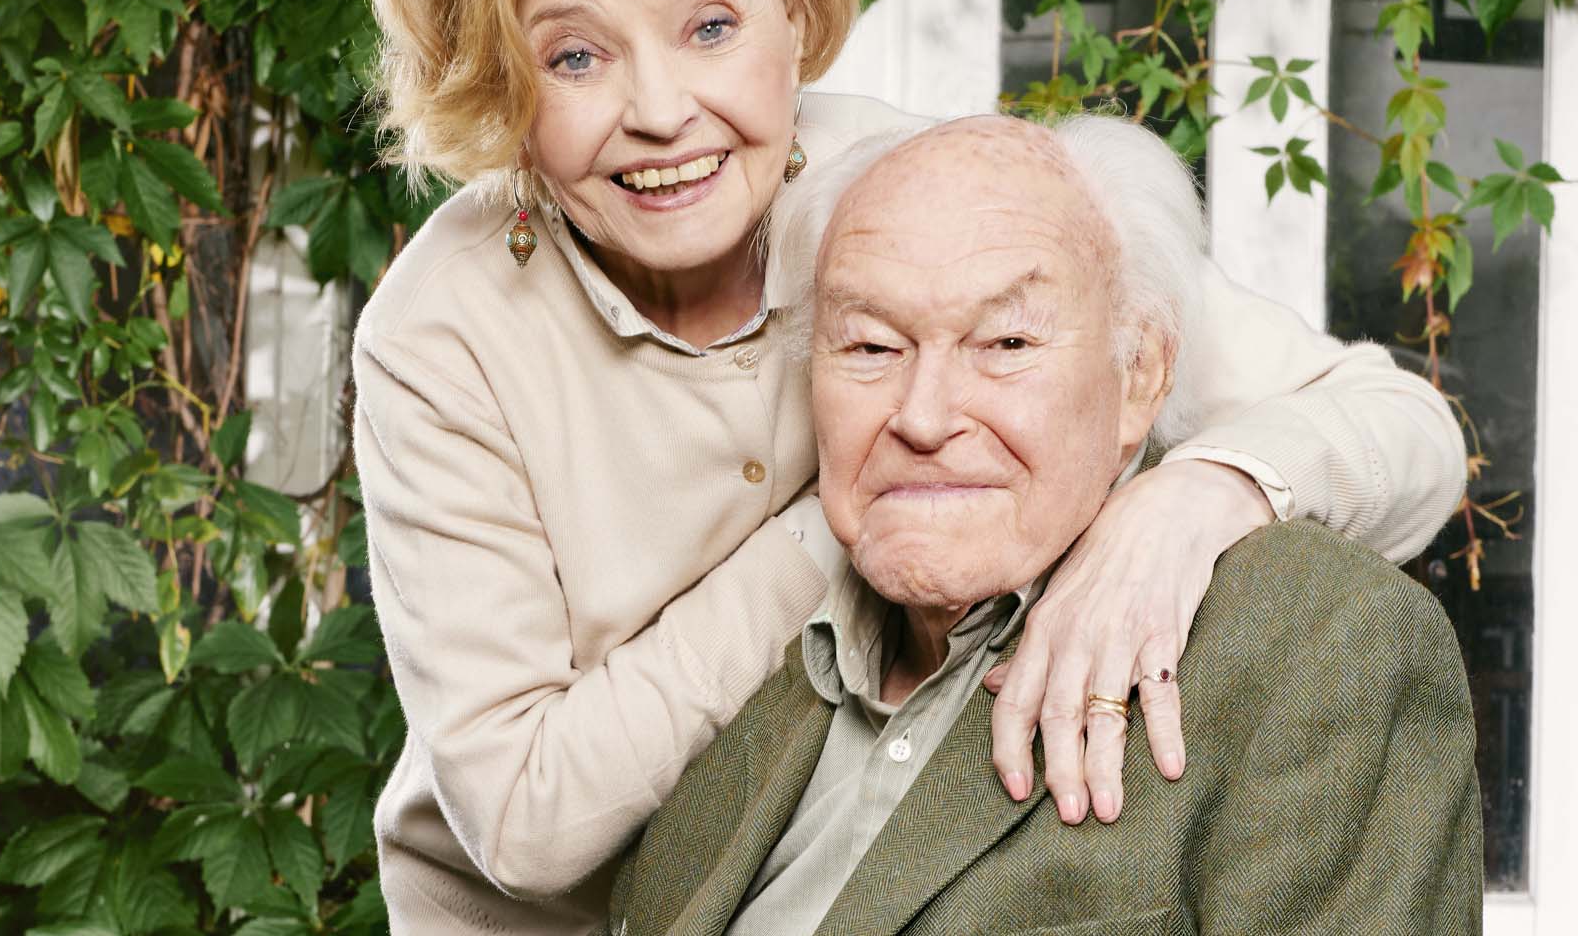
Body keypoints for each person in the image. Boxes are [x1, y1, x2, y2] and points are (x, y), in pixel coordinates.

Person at [354, 0, 1468, 930]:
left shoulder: (913, 206)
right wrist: (866, 520)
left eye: (711, 28)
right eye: (573, 57)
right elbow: (525, 824)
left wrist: (1188, 503)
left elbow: (1403, 431)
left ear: (796, 15)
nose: (659, 110)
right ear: (498, 79)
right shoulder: (442, 331)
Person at [608, 114, 1483, 935]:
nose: (923, 417)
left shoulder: (1319, 641)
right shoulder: (755, 662)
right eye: (871, 346)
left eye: (1007, 345)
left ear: (1139, 376)